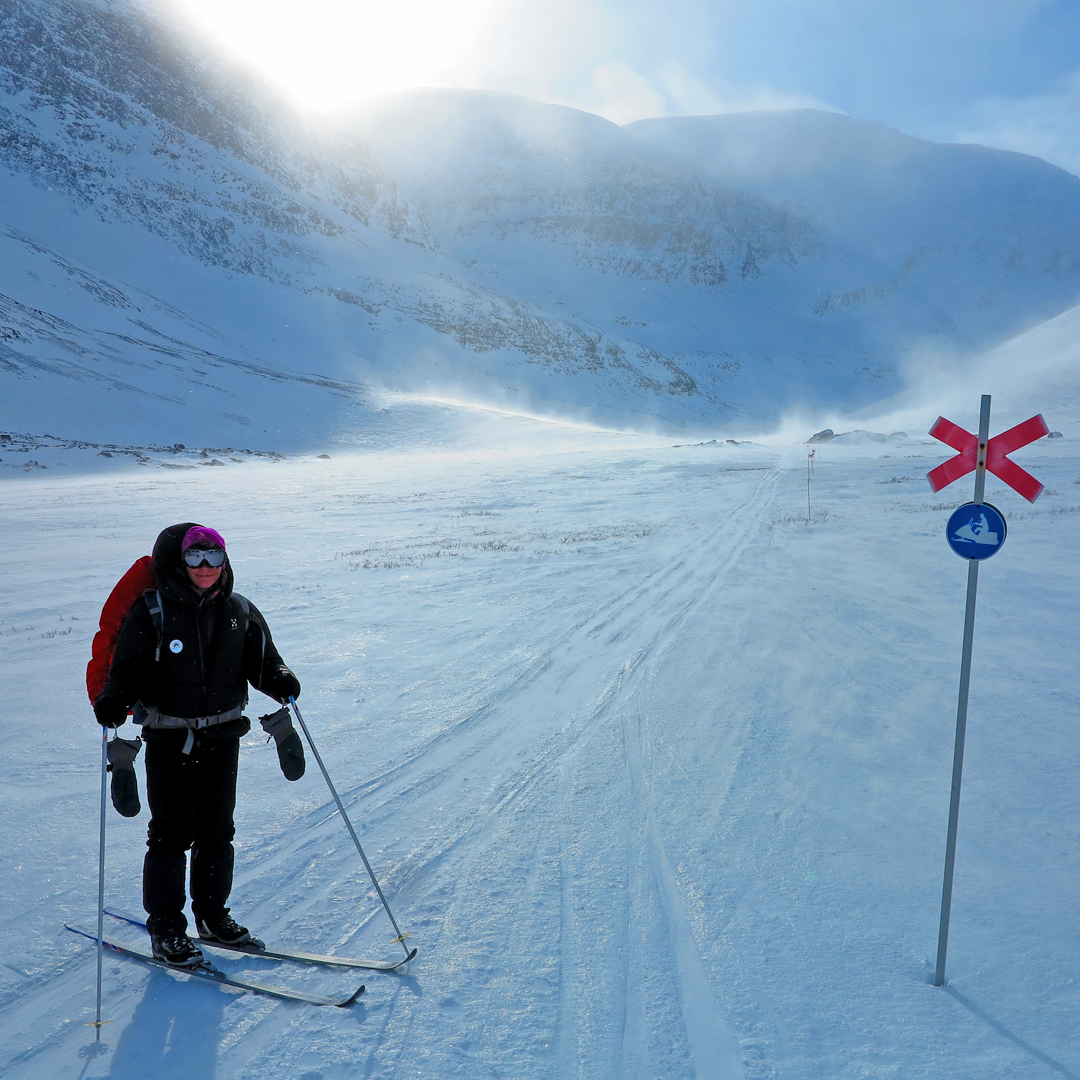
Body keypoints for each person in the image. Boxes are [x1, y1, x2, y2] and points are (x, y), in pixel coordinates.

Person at [92, 522, 301, 969]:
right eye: (194, 557)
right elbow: (126, 669)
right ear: (178, 561)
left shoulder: (239, 610)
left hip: (224, 735)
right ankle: (167, 929)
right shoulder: (152, 611)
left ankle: (212, 916)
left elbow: (264, 661)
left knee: (217, 830)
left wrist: (279, 678)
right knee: (171, 834)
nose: (205, 567)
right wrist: (112, 698)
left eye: (214, 556)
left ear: (225, 561)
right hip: (169, 738)